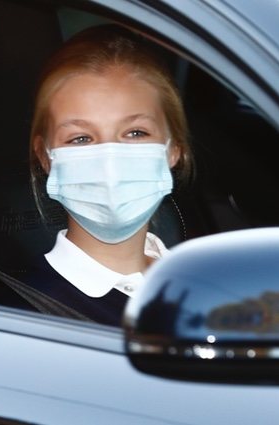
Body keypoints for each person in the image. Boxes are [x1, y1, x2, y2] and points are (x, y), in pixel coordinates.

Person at [24, 25, 193, 326]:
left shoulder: (205, 283)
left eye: (135, 133)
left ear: (173, 150)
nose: (109, 163)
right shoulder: (26, 317)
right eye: (80, 138)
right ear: (45, 157)